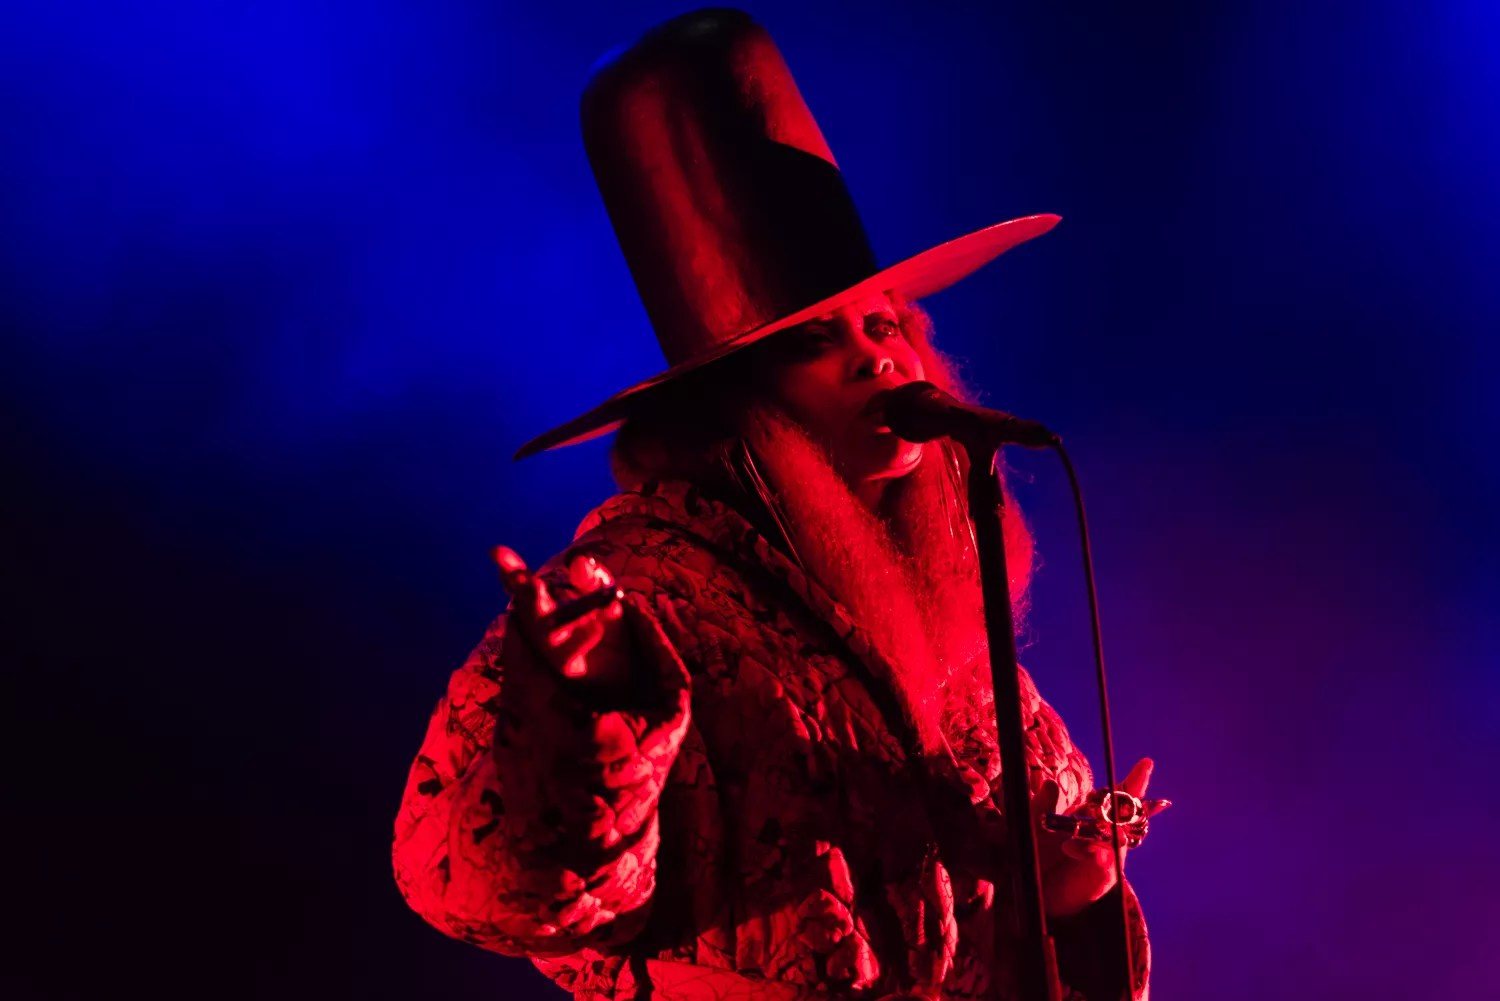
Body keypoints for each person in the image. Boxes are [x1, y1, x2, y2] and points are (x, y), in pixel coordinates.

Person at [393, 10, 1161, 1000]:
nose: (879, 357)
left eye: (885, 324)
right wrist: (583, 715)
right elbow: (483, 886)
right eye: (814, 341)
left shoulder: (954, 640)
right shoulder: (635, 599)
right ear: (733, 404)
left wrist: (1072, 896)